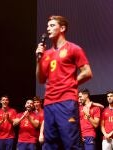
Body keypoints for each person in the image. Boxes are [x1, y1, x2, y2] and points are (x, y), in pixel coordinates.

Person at [36, 15, 93, 150]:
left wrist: (71, 82)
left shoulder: (73, 48)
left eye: (52, 25)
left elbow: (87, 72)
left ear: (62, 28)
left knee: (71, 144)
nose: (48, 29)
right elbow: (40, 79)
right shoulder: (47, 54)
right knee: (49, 144)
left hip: (66, 102)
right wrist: (38, 59)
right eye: (47, 26)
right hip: (49, 103)